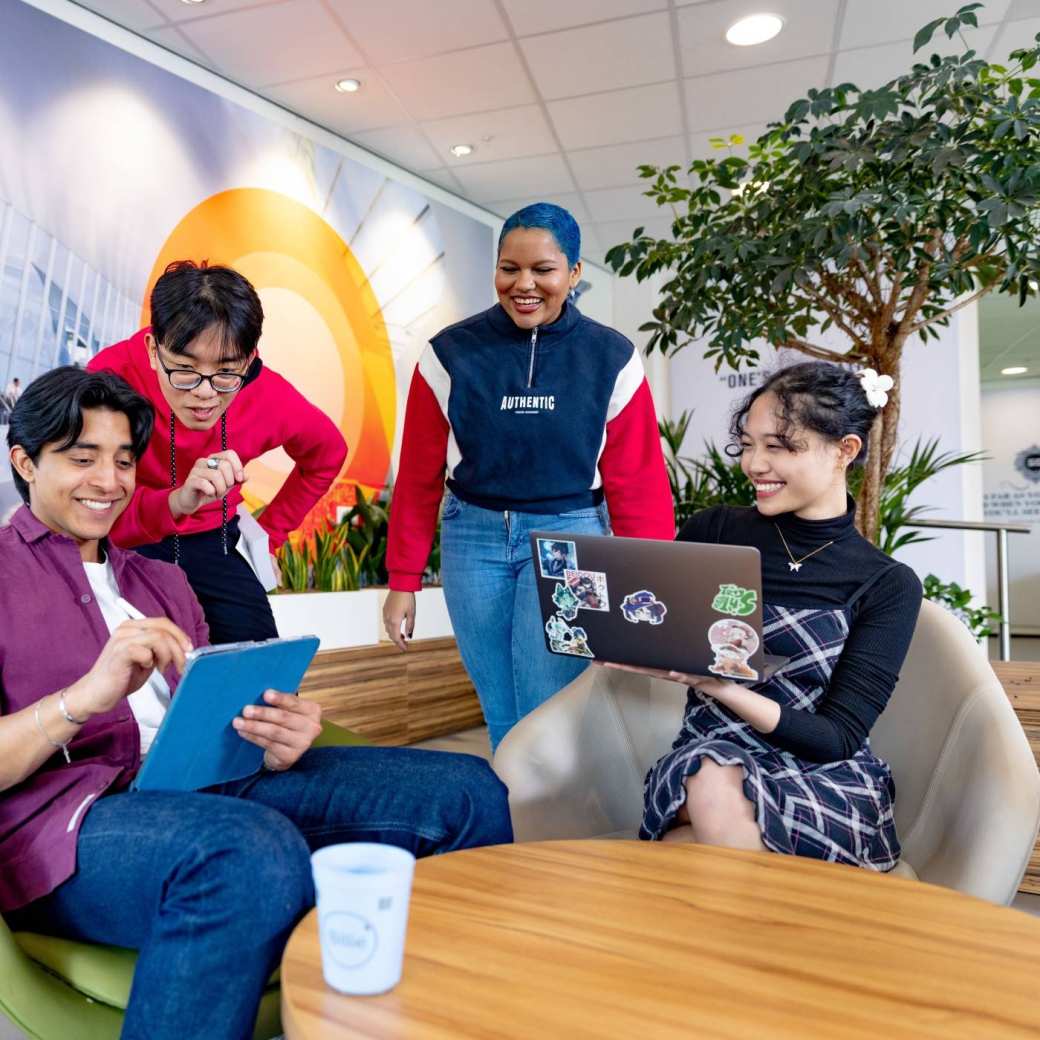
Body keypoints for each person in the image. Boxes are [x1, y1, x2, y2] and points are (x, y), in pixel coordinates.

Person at [0, 367, 512, 1040]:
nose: (109, 480)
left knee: (467, 791)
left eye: (124, 460)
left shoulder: (163, 581)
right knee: (243, 853)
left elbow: (219, 720)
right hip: (74, 824)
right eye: (82, 457)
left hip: (216, 787)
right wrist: (82, 699)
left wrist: (281, 733)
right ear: (24, 461)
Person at [607, 362, 922, 870]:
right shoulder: (712, 532)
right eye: (747, 444)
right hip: (708, 753)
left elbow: (838, 737)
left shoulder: (886, 583)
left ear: (845, 450)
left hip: (824, 775)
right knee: (712, 777)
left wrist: (720, 686)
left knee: (685, 854)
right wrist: (619, 631)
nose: (754, 464)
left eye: (778, 446)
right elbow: (651, 623)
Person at [383, 203, 674, 751]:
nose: (524, 284)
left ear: (574, 273)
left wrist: (649, 583)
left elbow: (636, 481)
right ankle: (518, 827)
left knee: (548, 707)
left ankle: (555, 825)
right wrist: (403, 580)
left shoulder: (611, 357)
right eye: (509, 268)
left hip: (571, 538)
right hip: (473, 538)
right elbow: (420, 475)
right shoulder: (449, 355)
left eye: (544, 269)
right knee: (499, 709)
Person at [87, 261, 347, 643]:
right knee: (142, 670)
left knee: (262, 677)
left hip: (216, 540)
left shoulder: (265, 392)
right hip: (126, 538)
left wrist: (271, 533)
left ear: (250, 358)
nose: (205, 393)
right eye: (185, 370)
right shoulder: (109, 378)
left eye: (226, 372)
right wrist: (175, 502)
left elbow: (327, 453)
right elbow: (89, 493)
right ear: (153, 350)